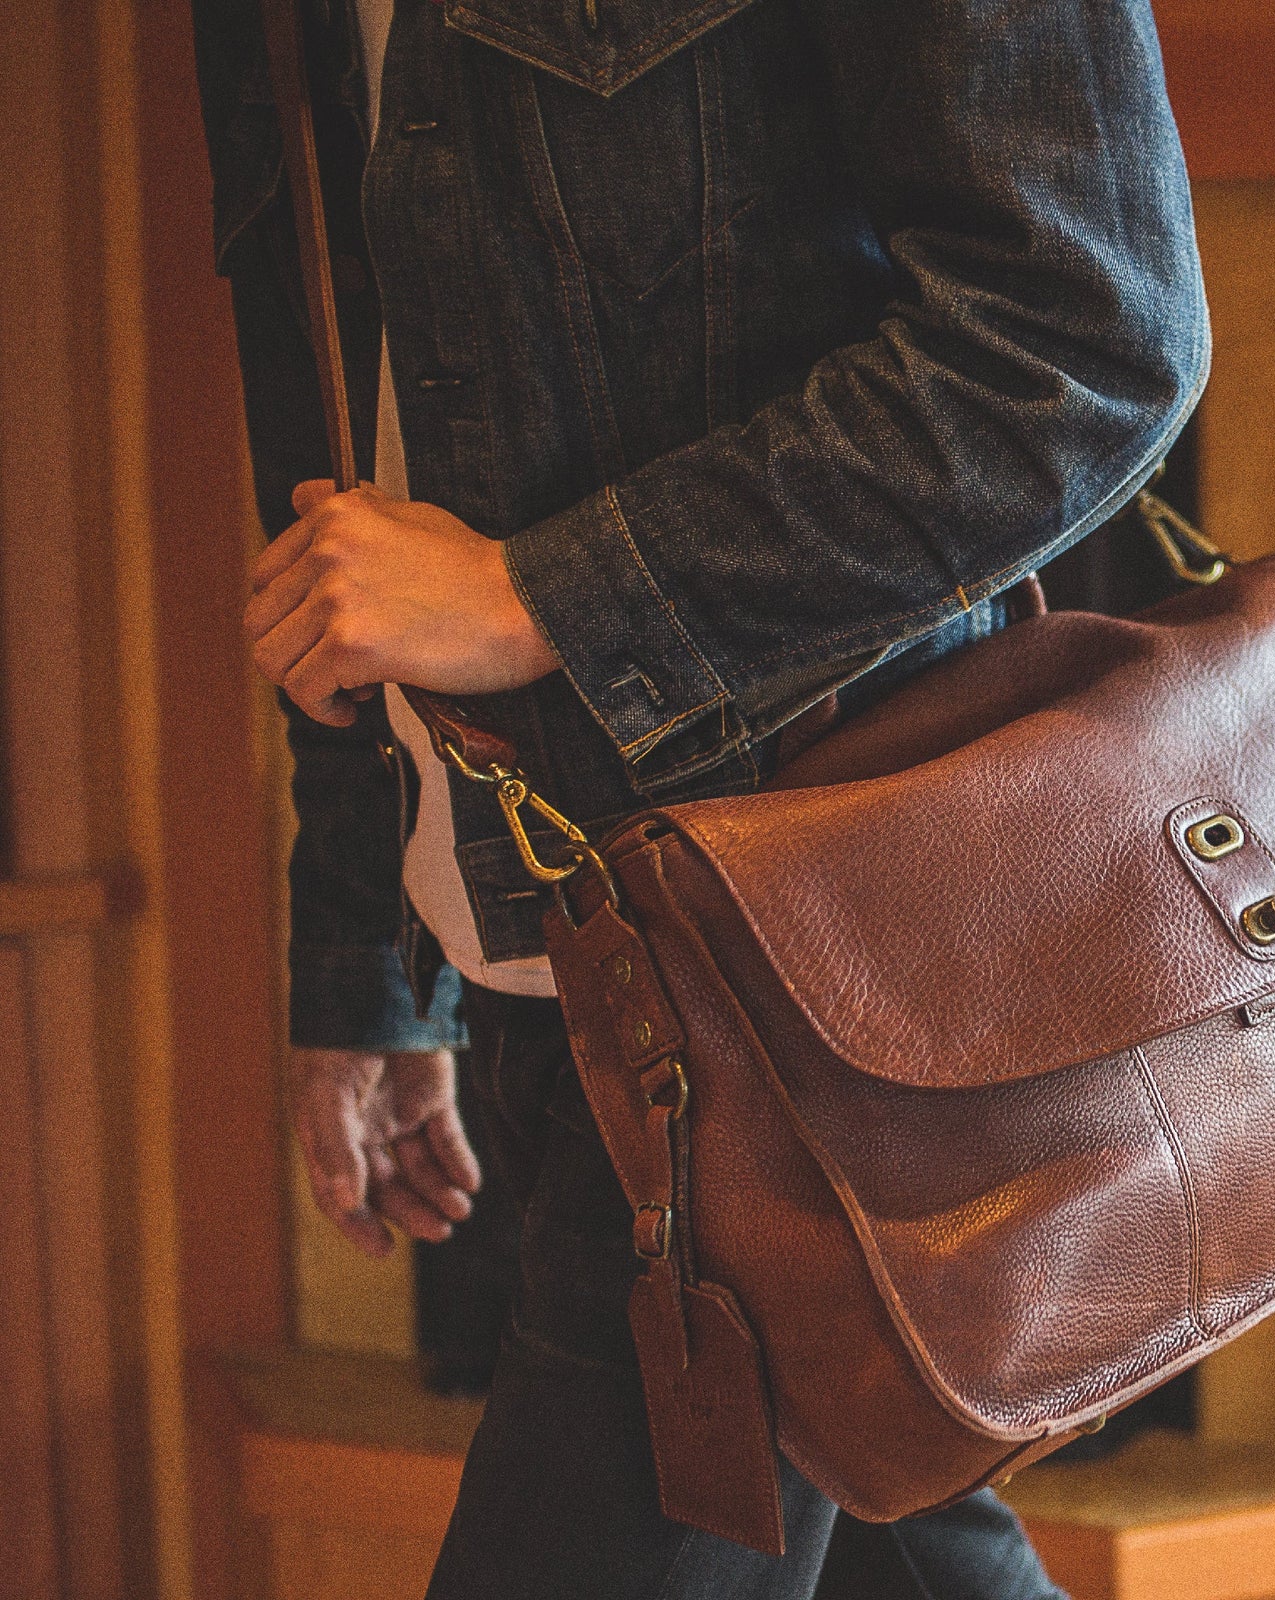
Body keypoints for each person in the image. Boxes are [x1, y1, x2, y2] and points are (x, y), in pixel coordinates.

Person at [192, 0, 1208, 1592]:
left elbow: (1087, 339)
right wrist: (367, 951)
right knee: (906, 1540)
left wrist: (548, 595)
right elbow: (342, 503)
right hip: (530, 946)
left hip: (793, 979)